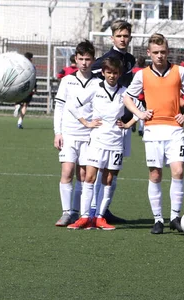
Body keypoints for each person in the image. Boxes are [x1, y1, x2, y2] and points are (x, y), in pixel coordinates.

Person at [123, 33, 184, 234]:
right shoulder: (142, 75)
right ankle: (158, 219)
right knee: (155, 174)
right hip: (152, 130)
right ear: (149, 53)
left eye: (163, 52)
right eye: (155, 52)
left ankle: (175, 217)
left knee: (178, 171)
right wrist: (140, 113)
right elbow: (127, 97)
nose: (160, 56)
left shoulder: (180, 72)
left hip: (174, 129)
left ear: (168, 52)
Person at [66, 57, 138, 230]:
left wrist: (128, 124)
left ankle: (99, 217)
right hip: (97, 140)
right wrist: (87, 123)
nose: (112, 76)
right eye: (108, 72)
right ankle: (84, 217)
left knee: (108, 179)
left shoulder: (125, 92)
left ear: (119, 74)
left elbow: (141, 110)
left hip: (115, 142)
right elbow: (72, 105)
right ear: (103, 73)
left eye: (115, 73)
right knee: (89, 178)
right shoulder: (95, 89)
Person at [89, 19, 136, 224]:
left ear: (130, 37)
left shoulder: (131, 59)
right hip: (105, 126)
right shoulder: (106, 59)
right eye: (119, 36)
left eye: (126, 36)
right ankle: (92, 210)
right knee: (99, 169)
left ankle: (104, 210)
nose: (123, 39)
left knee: (114, 171)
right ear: (112, 38)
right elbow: (88, 78)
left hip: (122, 123)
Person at [53, 40, 97, 227]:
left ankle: (79, 212)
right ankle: (66, 212)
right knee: (67, 171)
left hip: (89, 135)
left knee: (83, 173)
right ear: (76, 60)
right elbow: (60, 107)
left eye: (88, 59)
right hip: (69, 133)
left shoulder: (98, 82)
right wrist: (58, 132)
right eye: (81, 59)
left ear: (93, 60)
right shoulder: (68, 80)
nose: (84, 63)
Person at [14, 52, 36, 129]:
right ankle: (19, 122)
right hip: (28, 87)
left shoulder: (19, 65)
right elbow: (34, 77)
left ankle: (17, 105)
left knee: (18, 100)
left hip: (18, 86)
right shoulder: (32, 67)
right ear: (31, 58)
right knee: (25, 105)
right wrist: (35, 87)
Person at [132, 55, 147, 137]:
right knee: (143, 111)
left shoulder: (134, 70)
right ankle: (141, 129)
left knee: (135, 110)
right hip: (143, 94)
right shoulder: (146, 71)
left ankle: (133, 123)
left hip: (135, 94)